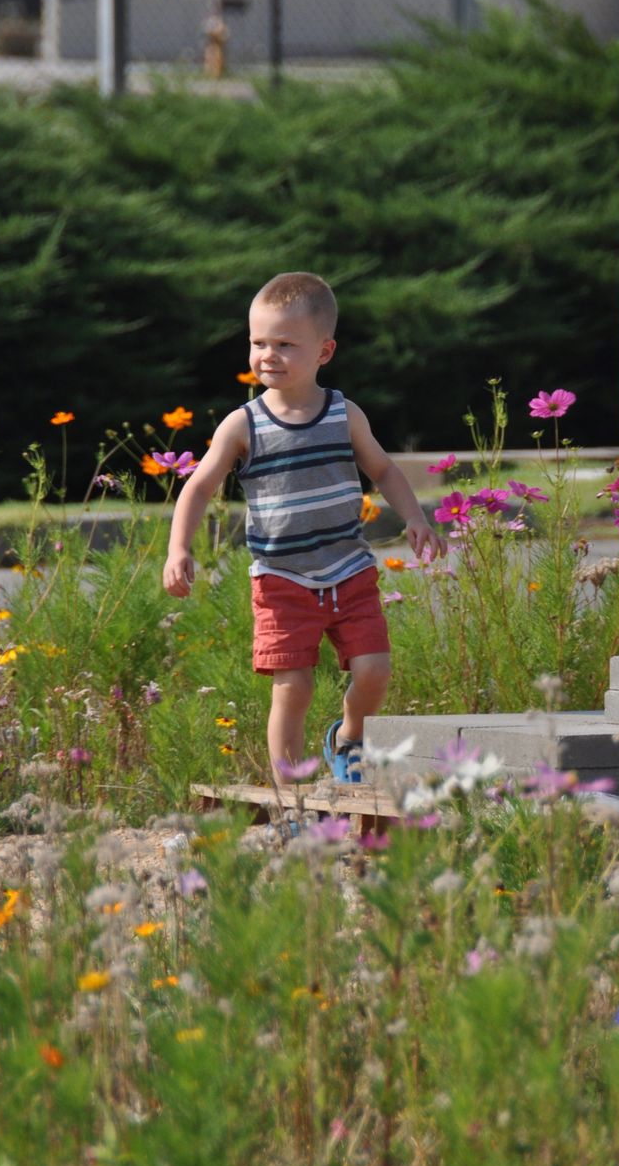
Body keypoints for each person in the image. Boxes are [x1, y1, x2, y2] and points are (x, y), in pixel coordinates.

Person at [163, 272, 444, 788]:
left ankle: (349, 736)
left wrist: (416, 518)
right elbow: (199, 487)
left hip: (349, 570)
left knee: (374, 670)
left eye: (285, 344)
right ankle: (290, 795)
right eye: (257, 342)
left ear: (324, 350)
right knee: (293, 688)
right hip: (281, 579)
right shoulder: (242, 425)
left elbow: (383, 469)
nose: (267, 355)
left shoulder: (344, 414)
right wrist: (178, 548)